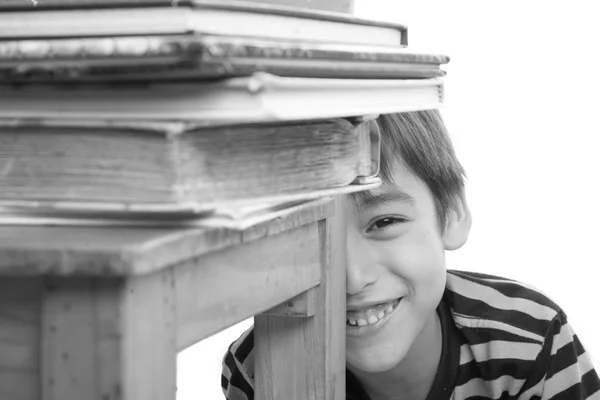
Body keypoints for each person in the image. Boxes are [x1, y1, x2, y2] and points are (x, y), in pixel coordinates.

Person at [221, 110, 600, 399]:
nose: (353, 277)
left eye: (384, 221)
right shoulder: (257, 368)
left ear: (450, 214)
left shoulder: (529, 339)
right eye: (305, 233)